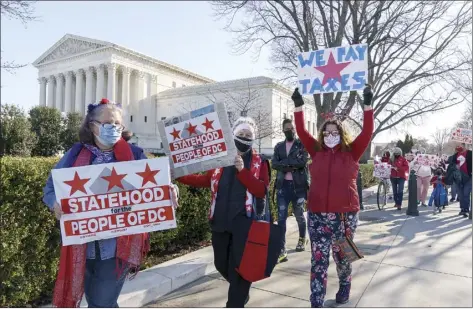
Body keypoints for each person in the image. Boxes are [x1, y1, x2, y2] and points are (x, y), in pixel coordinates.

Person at [42, 98, 179, 308]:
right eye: (107, 123)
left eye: (117, 124)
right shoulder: (76, 154)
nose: (113, 128)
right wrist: (54, 203)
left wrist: (170, 191)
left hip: (118, 246)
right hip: (83, 245)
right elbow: (50, 188)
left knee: (101, 303)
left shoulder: (135, 155)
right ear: (92, 125)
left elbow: (158, 185)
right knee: (100, 301)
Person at [291, 85, 374, 308]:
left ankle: (345, 286)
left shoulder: (352, 151)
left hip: (344, 215)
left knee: (342, 259)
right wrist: (298, 107)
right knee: (318, 260)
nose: (330, 135)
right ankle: (316, 301)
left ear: (341, 134)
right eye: (326, 132)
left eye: (334, 132)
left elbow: (367, 132)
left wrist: (368, 105)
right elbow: (301, 131)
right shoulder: (316, 151)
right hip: (317, 214)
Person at [176, 117, 270, 307]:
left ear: (254, 138)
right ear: (232, 135)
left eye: (248, 135)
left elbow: (261, 190)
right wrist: (179, 176)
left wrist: (243, 171)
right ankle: (241, 289)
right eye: (241, 134)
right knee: (221, 264)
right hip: (220, 222)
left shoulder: (261, 162)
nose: (244, 138)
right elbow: (205, 181)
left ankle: (236, 300)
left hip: (245, 224)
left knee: (239, 269)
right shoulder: (220, 159)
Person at [271, 118, 309, 263]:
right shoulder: (279, 146)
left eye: (292, 128)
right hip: (282, 187)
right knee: (281, 218)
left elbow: (302, 162)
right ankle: (281, 249)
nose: (290, 130)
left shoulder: (301, 145)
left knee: (299, 214)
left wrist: (284, 164)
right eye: (287, 128)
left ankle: (302, 238)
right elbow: (274, 163)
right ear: (283, 130)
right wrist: (290, 165)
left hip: (298, 187)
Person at [449, 144, 472, 217]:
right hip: (458, 177)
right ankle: (462, 209)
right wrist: (455, 166)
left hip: (468, 177)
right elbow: (451, 164)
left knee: (466, 193)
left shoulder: (470, 153)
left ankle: (466, 209)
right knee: (461, 194)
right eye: (458, 146)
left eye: (462, 146)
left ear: (465, 146)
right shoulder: (455, 155)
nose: (460, 147)